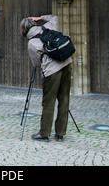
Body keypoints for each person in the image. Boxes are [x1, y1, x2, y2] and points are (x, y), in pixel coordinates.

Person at [20, 14, 72, 142]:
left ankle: (44, 133)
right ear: (34, 24)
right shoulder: (48, 27)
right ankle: (60, 133)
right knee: (64, 98)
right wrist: (40, 18)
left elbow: (37, 64)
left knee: (49, 101)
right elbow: (55, 17)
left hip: (51, 72)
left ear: (24, 30)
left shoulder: (32, 43)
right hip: (66, 64)